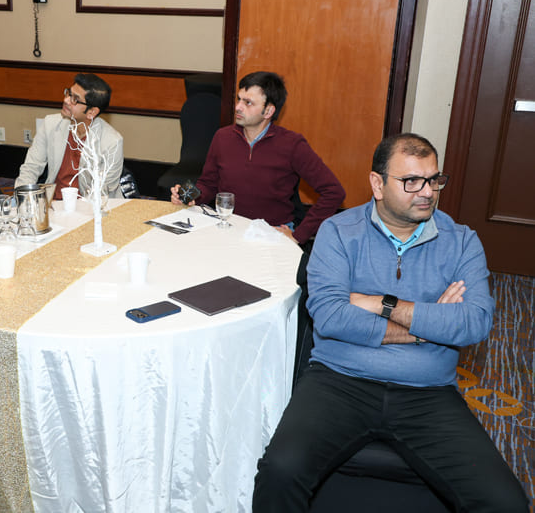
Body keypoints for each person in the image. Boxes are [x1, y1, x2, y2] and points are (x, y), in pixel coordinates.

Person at [252, 133, 528, 512]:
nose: (427, 192)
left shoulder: (462, 242)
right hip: (339, 382)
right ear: (377, 184)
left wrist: (379, 302)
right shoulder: (338, 232)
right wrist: (426, 330)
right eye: (411, 181)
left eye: (433, 180)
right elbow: (330, 317)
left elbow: (474, 323)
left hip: (428, 391)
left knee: (506, 503)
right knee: (279, 471)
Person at [170, 71, 344, 244]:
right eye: (239, 99)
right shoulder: (222, 137)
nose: (238, 107)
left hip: (270, 233)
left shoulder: (292, 144)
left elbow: (334, 192)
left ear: (268, 111)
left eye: (248, 103)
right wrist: (190, 196)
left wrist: (299, 235)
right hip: (228, 227)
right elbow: (208, 184)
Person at [15, 73, 124, 200]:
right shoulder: (50, 124)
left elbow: (102, 193)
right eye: (69, 94)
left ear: (91, 112)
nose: (66, 100)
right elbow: (30, 168)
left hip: (91, 206)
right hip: (54, 204)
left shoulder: (112, 142)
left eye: (75, 99)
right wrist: (22, 201)